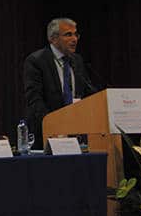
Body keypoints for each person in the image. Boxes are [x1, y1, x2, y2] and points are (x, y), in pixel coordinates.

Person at [23, 17, 97, 149]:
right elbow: (35, 99)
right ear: (53, 38)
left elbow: (87, 93)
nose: (74, 39)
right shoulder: (36, 61)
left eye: (76, 34)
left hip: (76, 131)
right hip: (47, 134)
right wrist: (54, 126)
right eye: (68, 34)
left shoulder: (77, 61)